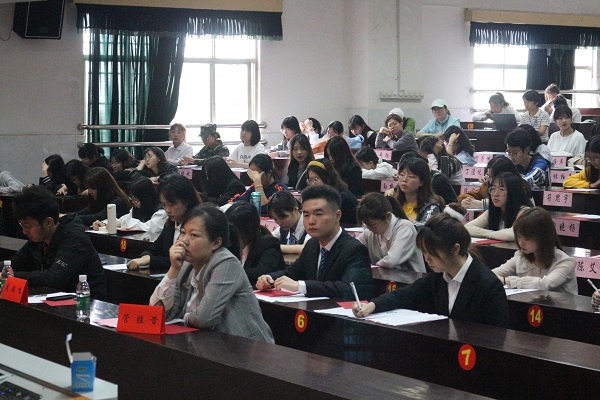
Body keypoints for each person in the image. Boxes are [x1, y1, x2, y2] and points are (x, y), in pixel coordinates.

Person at [352, 213, 509, 328]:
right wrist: (372, 305)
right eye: (424, 252)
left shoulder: (488, 284)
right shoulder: (438, 276)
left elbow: (497, 334)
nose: (427, 259)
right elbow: (406, 294)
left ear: (455, 249)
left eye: (431, 253)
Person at [149, 204, 274, 343]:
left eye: (194, 235)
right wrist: (173, 270)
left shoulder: (226, 263)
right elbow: (158, 312)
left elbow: (203, 319)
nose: (184, 241)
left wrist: (184, 317)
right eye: (183, 232)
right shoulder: (186, 264)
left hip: (247, 348)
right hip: (210, 344)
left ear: (216, 243)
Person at [255, 185, 373, 300]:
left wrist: (301, 286)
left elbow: (351, 290)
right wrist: (269, 278)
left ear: (337, 215)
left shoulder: (354, 250)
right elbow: (291, 273)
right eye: (306, 215)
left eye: (318, 214)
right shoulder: (312, 245)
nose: (311, 221)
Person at [10, 186, 107, 300]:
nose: (24, 231)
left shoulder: (75, 239)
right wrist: (6, 270)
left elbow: (54, 277)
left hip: (86, 303)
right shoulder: (40, 237)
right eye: (22, 225)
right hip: (56, 298)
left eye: (27, 226)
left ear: (48, 222)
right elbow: (14, 263)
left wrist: (10, 275)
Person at [492, 207, 577, 294]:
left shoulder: (565, 262)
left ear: (542, 237)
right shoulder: (521, 256)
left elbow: (544, 284)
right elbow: (493, 273)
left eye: (527, 239)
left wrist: (506, 281)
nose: (521, 243)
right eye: (518, 237)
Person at [128, 174, 202, 271]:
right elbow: (154, 249)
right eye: (164, 205)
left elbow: (184, 262)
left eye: (171, 204)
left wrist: (150, 260)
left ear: (186, 200)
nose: (167, 210)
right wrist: (144, 257)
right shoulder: (170, 225)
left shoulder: (197, 227)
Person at [357, 193, 425, 272]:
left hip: (410, 278)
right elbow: (353, 248)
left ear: (388, 216)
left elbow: (392, 261)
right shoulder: (369, 232)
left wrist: (374, 266)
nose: (370, 229)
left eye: (373, 225)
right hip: (383, 278)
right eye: (367, 225)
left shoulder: (405, 228)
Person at [225, 201, 285, 286]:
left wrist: (230, 273)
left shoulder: (268, 243)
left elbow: (262, 271)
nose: (230, 233)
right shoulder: (230, 245)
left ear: (247, 229)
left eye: (233, 229)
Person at [465, 172, 532, 241]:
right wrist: (493, 234)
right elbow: (467, 227)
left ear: (513, 192)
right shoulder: (494, 210)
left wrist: (489, 234)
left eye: (502, 189)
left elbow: (511, 235)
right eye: (493, 188)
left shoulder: (525, 212)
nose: (495, 194)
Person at [92, 177, 167, 234]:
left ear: (146, 198)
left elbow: (149, 227)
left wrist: (122, 223)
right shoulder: (137, 207)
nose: (134, 202)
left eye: (136, 200)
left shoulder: (161, 212)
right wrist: (105, 223)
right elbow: (124, 219)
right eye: (132, 199)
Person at [305, 159, 358, 225]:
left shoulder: (343, 198)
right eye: (310, 180)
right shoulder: (320, 197)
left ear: (326, 177)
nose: (312, 184)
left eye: (316, 179)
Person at [392, 157, 444, 223]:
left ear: (422, 182)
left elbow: (424, 226)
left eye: (411, 176)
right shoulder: (393, 202)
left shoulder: (431, 205)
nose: (404, 179)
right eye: (402, 175)